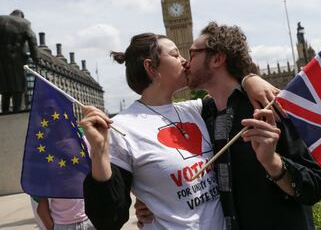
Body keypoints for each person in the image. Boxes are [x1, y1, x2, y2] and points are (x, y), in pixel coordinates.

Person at [136, 22, 321, 229]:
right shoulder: (203, 117)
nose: (185, 63)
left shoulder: (268, 108)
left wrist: (273, 162)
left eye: (192, 54)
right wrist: (156, 198)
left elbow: (314, 188)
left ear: (217, 59)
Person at [80, 33, 274, 229]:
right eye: (175, 55)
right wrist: (99, 151)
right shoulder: (122, 128)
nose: (185, 61)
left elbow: (228, 88)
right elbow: (107, 220)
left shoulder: (197, 110)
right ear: (151, 67)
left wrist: (250, 79)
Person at [0, 9, 39, 113]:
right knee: (18, 84)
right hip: (17, 57)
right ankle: (17, 110)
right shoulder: (24, 23)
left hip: (1, 58)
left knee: (4, 86)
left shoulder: (1, 19)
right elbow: (32, 39)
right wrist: (36, 58)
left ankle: (4, 110)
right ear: (21, 15)